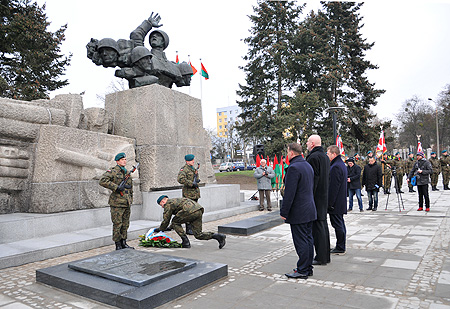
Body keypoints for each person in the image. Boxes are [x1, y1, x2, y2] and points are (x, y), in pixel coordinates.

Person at [281, 143, 316, 279]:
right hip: (309, 208)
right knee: (308, 239)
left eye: (287, 152)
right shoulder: (307, 165)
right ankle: (307, 267)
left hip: (299, 211)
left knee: (301, 241)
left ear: (291, 152)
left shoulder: (293, 168)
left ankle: (302, 269)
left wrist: (284, 212)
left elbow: (290, 193)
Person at [154, 195, 226, 249]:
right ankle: (218, 236)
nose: (162, 207)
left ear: (163, 201)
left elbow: (166, 219)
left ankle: (185, 242)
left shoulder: (168, 204)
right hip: (198, 210)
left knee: (175, 222)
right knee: (198, 235)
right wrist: (170, 228)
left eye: (161, 205)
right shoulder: (176, 200)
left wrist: (161, 229)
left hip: (189, 211)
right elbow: (179, 217)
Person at [99, 152, 135, 250]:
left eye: (125, 159)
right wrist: (115, 187)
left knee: (125, 224)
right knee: (117, 224)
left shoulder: (127, 172)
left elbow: (130, 188)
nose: (125, 161)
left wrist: (130, 199)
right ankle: (118, 244)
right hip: (117, 203)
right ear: (118, 161)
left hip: (126, 202)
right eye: (122, 159)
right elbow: (102, 180)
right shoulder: (113, 171)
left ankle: (124, 242)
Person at [306, 134, 330, 266]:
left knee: (318, 229)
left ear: (313, 144)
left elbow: (312, 180)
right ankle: (325, 255)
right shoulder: (325, 157)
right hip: (323, 196)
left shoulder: (313, 157)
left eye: (308, 142)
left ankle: (321, 257)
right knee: (323, 226)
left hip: (316, 198)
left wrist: (309, 197)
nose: (307, 145)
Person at [327, 146, 348, 255]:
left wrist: (330, 203)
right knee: (340, 224)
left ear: (334, 154)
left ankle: (340, 246)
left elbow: (333, 187)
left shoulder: (335, 167)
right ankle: (341, 245)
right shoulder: (340, 164)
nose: (327, 155)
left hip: (336, 202)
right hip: (340, 201)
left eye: (328, 153)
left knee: (338, 224)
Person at [177, 154, 200, 235]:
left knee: (195, 211)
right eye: (191, 160)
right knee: (188, 212)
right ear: (187, 161)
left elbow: (195, 179)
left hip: (195, 193)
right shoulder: (184, 169)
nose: (193, 161)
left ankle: (194, 228)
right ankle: (188, 229)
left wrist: (197, 179)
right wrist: (191, 184)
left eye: (193, 160)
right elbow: (180, 179)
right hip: (188, 194)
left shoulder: (193, 169)